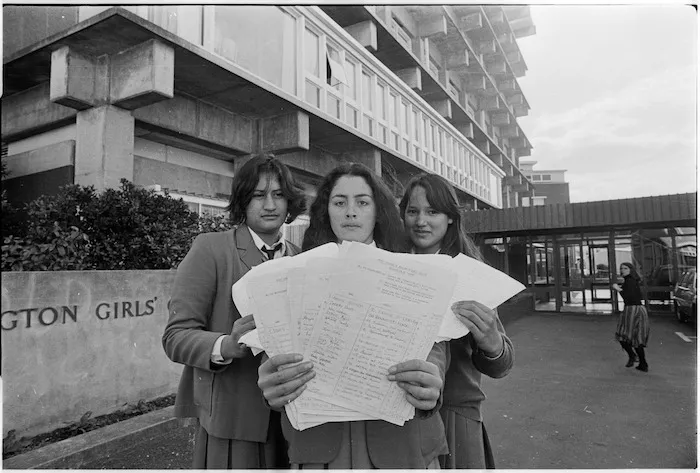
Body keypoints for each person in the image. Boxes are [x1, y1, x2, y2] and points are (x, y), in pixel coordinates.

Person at [257, 162, 448, 468]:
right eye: (339, 202)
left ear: (378, 211)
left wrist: (431, 379)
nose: (350, 212)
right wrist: (272, 383)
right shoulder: (294, 273)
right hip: (319, 451)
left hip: (403, 448)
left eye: (362, 202)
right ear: (326, 211)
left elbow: (437, 346)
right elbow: (275, 350)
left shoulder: (411, 271)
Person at [162, 154, 307, 468]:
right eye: (258, 195)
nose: (270, 204)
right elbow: (175, 336)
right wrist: (226, 344)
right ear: (243, 200)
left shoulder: (301, 258)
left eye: (279, 194)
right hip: (234, 420)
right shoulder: (211, 248)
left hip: (294, 416)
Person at [399, 173, 514, 469]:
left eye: (432, 211)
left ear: (450, 217)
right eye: (413, 211)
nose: (421, 221)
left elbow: (501, 365)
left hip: (455, 412)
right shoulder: (392, 266)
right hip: (401, 412)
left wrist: (492, 343)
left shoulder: (470, 274)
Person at [612, 262, 650, 372]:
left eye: (625, 268)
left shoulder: (629, 281)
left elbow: (629, 297)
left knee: (623, 335)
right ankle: (642, 363)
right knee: (637, 337)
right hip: (638, 309)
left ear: (630, 270)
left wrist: (618, 289)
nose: (622, 270)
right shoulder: (632, 280)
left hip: (632, 310)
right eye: (621, 268)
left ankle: (633, 356)